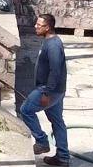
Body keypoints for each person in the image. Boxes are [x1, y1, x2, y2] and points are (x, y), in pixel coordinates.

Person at [20, 13, 70, 166]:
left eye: (39, 25)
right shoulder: (49, 41)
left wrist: (47, 93)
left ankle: (42, 141)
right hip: (56, 89)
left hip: (50, 90)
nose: (36, 26)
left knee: (26, 110)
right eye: (36, 24)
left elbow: (56, 71)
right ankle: (63, 158)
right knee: (57, 122)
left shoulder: (53, 45)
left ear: (48, 27)